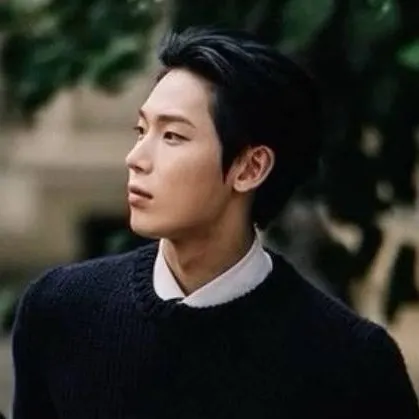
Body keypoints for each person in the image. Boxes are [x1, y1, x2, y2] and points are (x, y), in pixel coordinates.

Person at [11, 27, 419, 419]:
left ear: (250, 167)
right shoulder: (61, 311)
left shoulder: (352, 365)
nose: (135, 158)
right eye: (141, 130)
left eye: (172, 136)